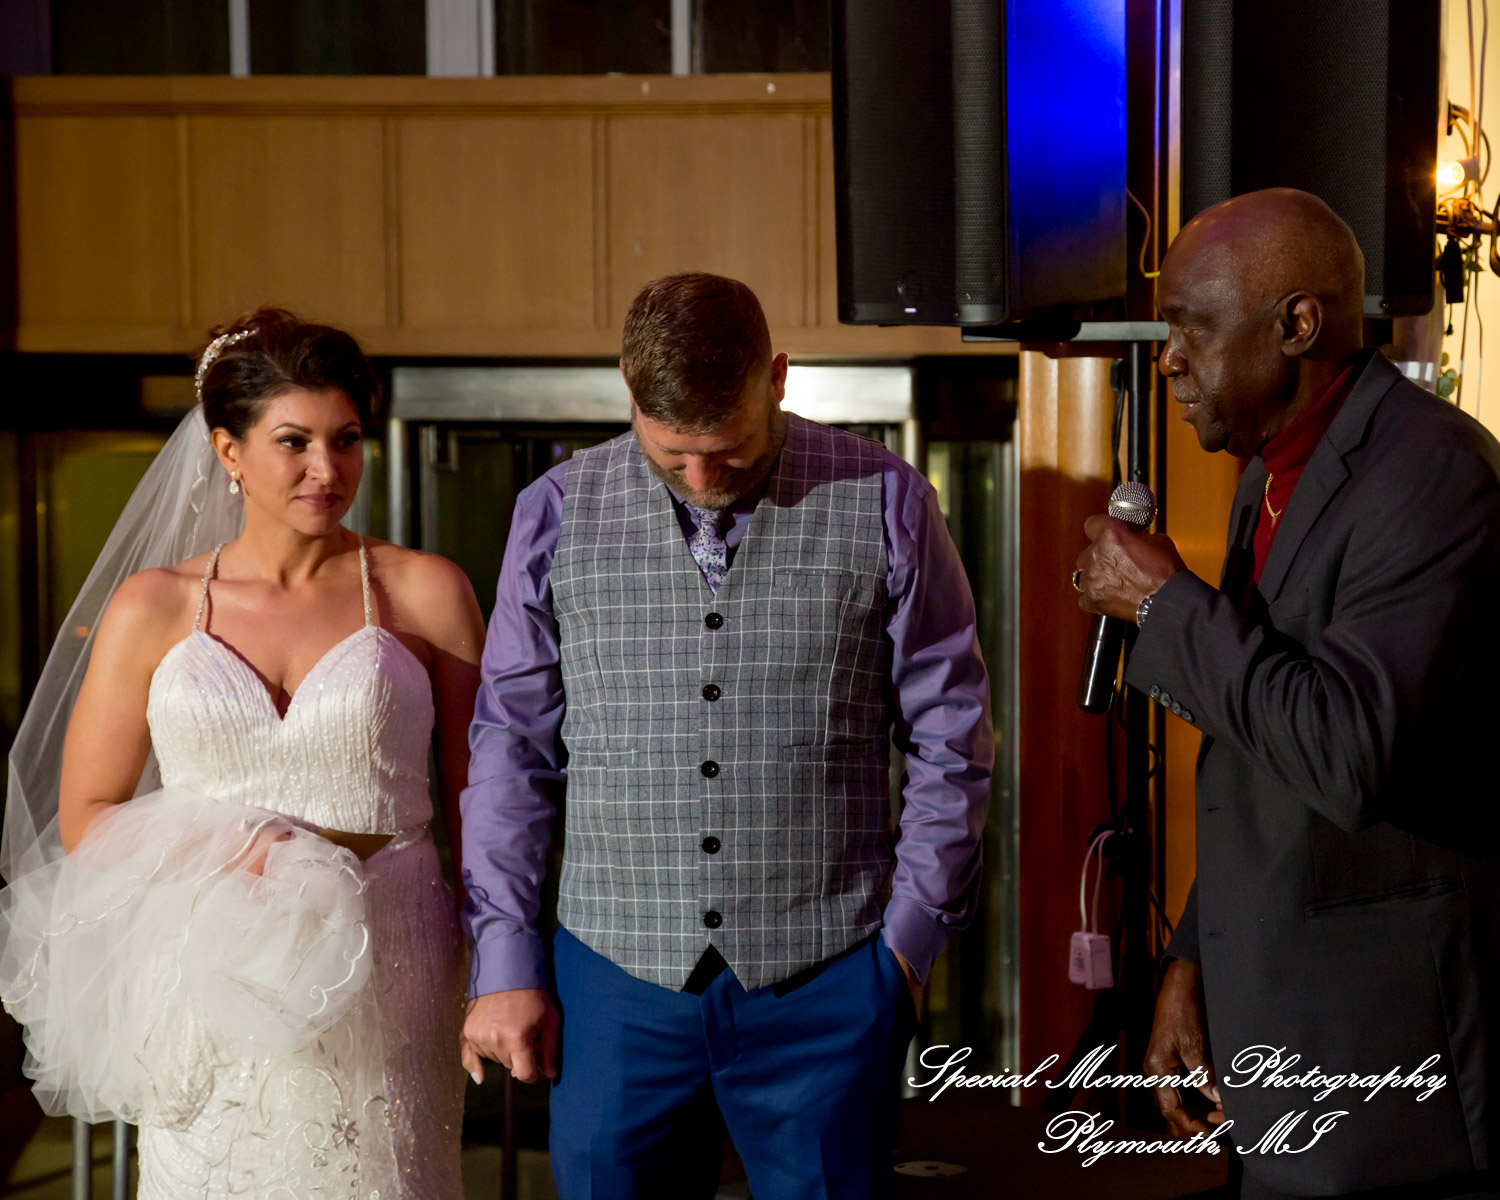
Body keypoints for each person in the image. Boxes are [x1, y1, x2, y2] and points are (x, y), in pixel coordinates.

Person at [458, 272, 993, 1198]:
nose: (703, 478)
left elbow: (952, 735)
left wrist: (908, 945)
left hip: (829, 978)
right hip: (613, 981)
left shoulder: (887, 499)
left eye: (730, 450)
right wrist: (504, 955)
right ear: (629, 389)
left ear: (777, 378)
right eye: (673, 454)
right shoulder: (553, 511)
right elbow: (512, 745)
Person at [0, 309, 484, 1199]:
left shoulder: (426, 590)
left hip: (395, 959)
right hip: (212, 970)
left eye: (346, 440)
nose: (326, 469)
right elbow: (87, 819)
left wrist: (502, 970)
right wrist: (246, 843)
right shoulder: (153, 605)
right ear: (228, 451)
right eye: (294, 441)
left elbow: (480, 805)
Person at [1075, 189, 1500, 1199]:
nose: (1168, 359)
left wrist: (1165, 603)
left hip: (1391, 1080)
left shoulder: (1434, 472)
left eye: (1191, 328)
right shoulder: (1267, 476)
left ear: (1298, 324)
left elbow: (1347, 751)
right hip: (1277, 1040)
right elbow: (1259, 746)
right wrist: (1192, 960)